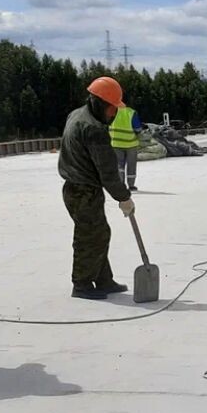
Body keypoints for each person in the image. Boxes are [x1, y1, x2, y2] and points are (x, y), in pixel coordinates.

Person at [58, 76, 135, 300]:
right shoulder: (94, 129)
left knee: (99, 233)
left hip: (74, 187)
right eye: (113, 109)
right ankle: (81, 284)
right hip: (83, 190)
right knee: (89, 236)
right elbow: (108, 171)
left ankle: (103, 280)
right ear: (101, 104)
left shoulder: (76, 114)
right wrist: (124, 197)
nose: (114, 114)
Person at [109, 103, 142, 191]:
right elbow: (138, 128)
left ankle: (120, 184)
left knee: (119, 165)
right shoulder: (131, 112)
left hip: (116, 143)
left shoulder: (112, 111)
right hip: (131, 144)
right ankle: (131, 185)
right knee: (131, 165)